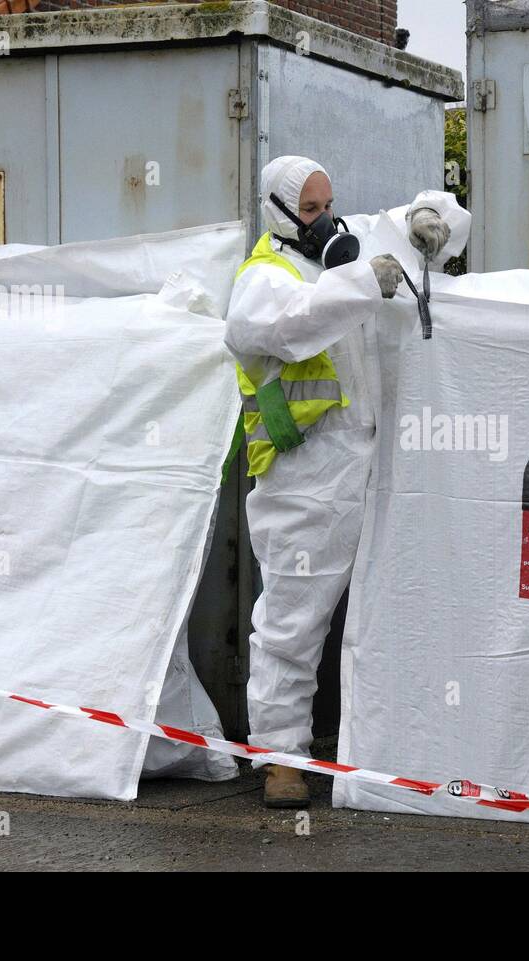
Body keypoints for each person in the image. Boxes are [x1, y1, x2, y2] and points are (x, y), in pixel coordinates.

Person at [225, 155, 470, 808]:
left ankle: (384, 747)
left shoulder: (348, 241)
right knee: (292, 625)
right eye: (309, 209)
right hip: (303, 482)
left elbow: (435, 218)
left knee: (393, 607)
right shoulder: (263, 279)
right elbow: (289, 325)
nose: (324, 218)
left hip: (376, 468)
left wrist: (431, 218)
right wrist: (365, 280)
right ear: (278, 213)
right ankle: (281, 759)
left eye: (327, 203)